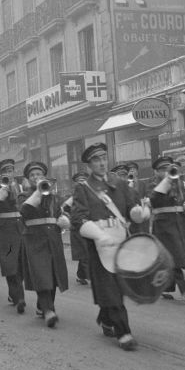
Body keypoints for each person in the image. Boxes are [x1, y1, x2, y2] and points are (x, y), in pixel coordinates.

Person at [71, 143, 148, 351]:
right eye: (96, 160)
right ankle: (124, 332)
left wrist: (138, 213)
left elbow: (132, 207)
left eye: (104, 158)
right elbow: (78, 219)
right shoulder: (83, 188)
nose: (102, 163)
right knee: (111, 289)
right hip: (99, 245)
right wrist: (98, 235)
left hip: (121, 242)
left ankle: (106, 317)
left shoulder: (120, 184)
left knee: (118, 287)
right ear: (88, 165)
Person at [20, 162, 69, 328]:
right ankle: (48, 310)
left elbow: (60, 213)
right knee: (41, 274)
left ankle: (45, 306)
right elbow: (24, 212)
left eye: (39, 174)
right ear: (28, 179)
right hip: (34, 239)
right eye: (32, 175)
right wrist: (38, 193)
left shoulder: (53, 196)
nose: (36, 177)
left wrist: (63, 221)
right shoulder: (24, 196)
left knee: (53, 273)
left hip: (52, 238)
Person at [150, 157, 185, 304]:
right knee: (174, 257)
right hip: (163, 226)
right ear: (156, 172)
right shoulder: (152, 185)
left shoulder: (179, 183)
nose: (166, 172)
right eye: (162, 169)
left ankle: (166, 286)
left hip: (179, 223)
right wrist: (167, 181)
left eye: (168, 168)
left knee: (177, 255)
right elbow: (153, 199)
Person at [0, 159, 26, 313]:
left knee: (23, 263)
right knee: (11, 263)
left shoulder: (21, 185)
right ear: (1, 174)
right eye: (5, 172)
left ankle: (13, 293)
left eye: (11, 171)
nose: (9, 174)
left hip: (22, 228)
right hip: (7, 230)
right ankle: (19, 297)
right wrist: (3, 189)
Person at [61, 171, 90, 285]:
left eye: (83, 181)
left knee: (86, 253)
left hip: (91, 227)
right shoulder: (73, 197)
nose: (81, 183)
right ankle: (90, 277)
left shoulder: (91, 194)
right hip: (78, 229)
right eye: (79, 181)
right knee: (85, 253)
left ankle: (81, 275)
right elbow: (64, 210)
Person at [126, 161, 150, 235]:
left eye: (134, 169)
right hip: (130, 215)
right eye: (130, 169)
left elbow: (147, 196)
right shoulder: (124, 184)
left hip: (142, 215)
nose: (132, 171)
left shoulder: (142, 183)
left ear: (137, 172)